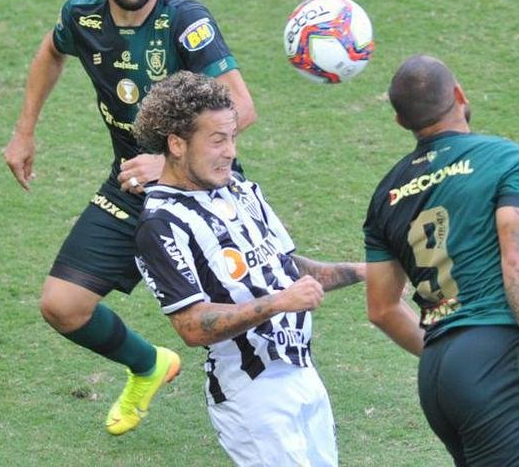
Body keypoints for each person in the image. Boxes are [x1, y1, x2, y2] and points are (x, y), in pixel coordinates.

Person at [2, 0, 257, 435]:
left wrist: (168, 163)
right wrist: (24, 131)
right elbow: (51, 51)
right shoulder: (83, 17)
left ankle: (267, 410)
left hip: (203, 192)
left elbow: (241, 108)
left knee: (247, 315)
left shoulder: (185, 20)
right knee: (62, 306)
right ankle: (149, 366)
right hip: (133, 186)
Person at [131, 71, 364, 466]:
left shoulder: (241, 189)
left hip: (302, 371)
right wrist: (278, 303)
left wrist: (366, 271)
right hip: (251, 393)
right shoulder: (161, 224)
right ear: (176, 144)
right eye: (217, 139)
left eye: (233, 137)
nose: (230, 152)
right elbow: (190, 324)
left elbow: (285, 266)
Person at [363, 55, 519, 466]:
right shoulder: (504, 159)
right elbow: (518, 255)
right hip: (496, 356)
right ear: (459, 94)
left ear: (402, 122)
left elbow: (382, 309)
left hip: (438, 373)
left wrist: (453, 351)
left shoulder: (386, 193)